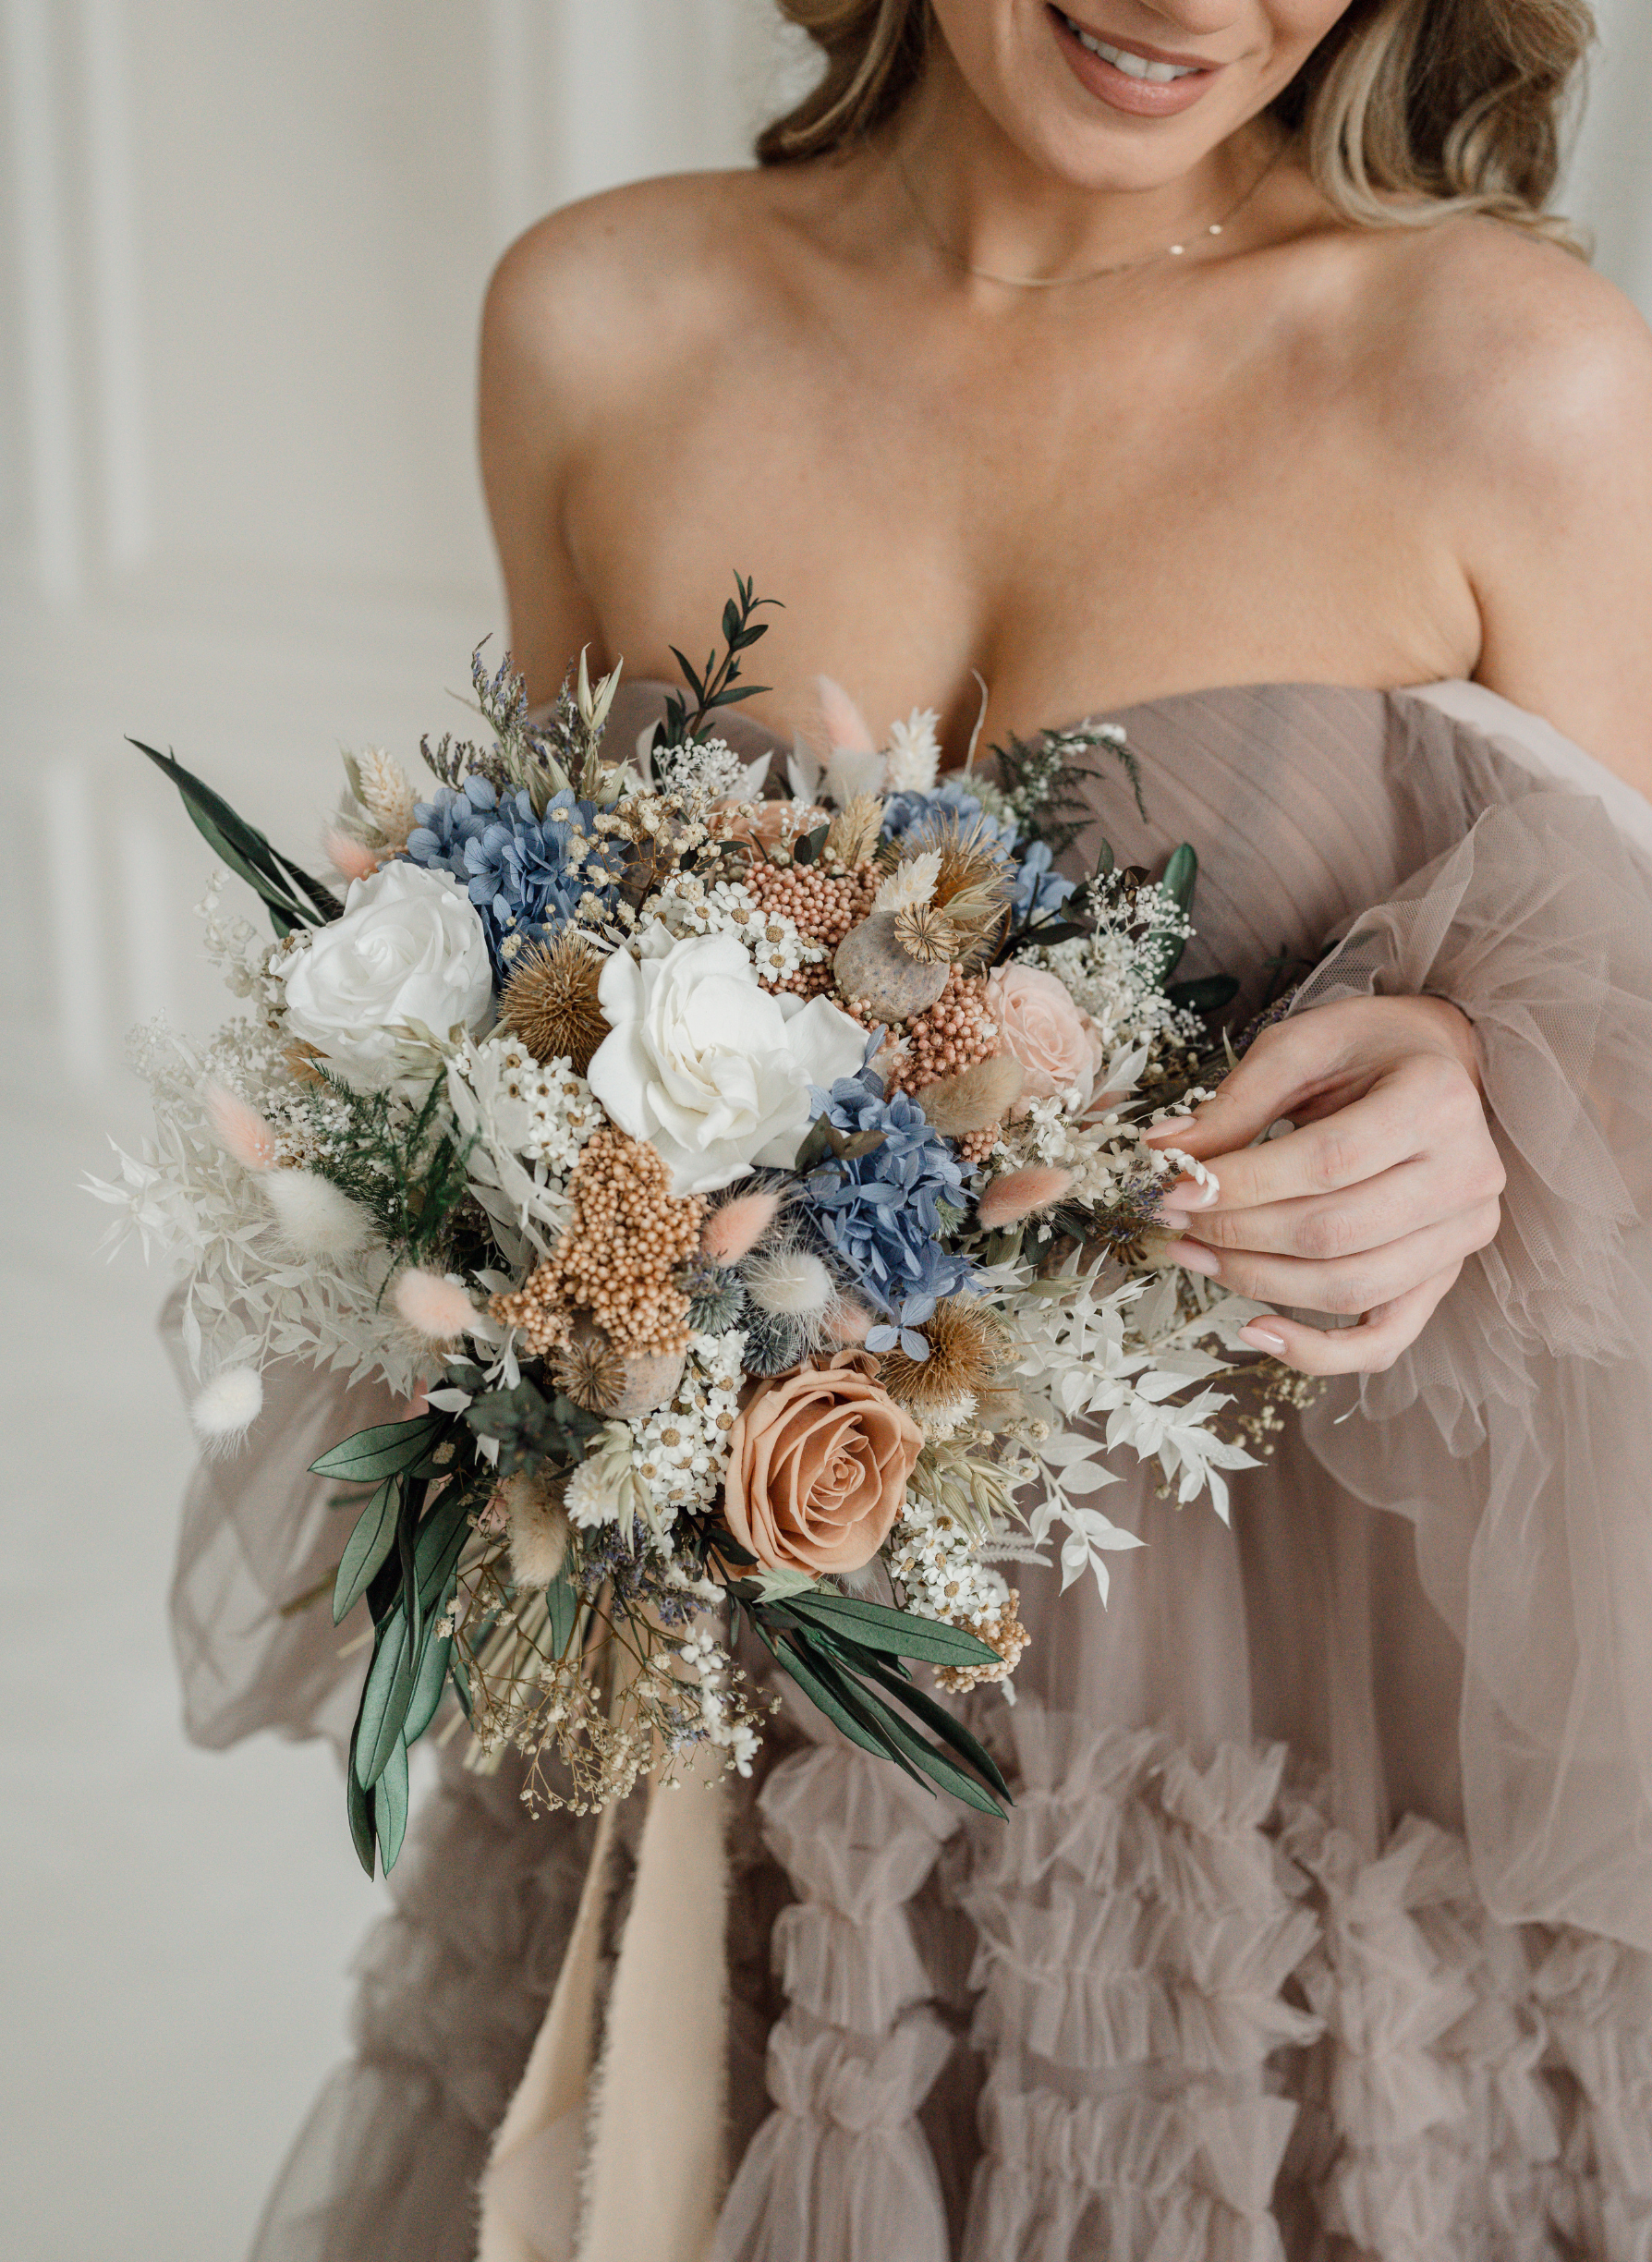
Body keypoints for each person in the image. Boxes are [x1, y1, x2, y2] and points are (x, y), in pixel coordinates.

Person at [228, 3, 1652, 2256]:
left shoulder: (1512, 376)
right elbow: (539, 1006)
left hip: (1274, 1793)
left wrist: (1502, 1105)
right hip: (751, 1736)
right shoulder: (603, 320)